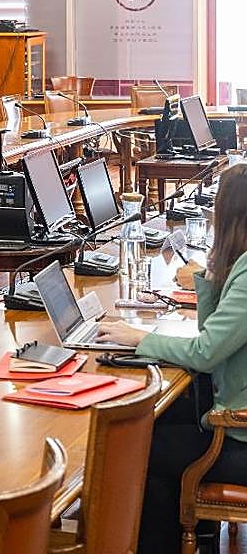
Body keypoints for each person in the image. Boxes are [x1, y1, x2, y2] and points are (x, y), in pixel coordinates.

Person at [97, 163, 247, 554]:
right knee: (160, 418)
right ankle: (199, 541)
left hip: (239, 442)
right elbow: (215, 336)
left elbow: (205, 353)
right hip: (234, 423)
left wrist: (139, 338)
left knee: (137, 449)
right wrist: (212, 277)